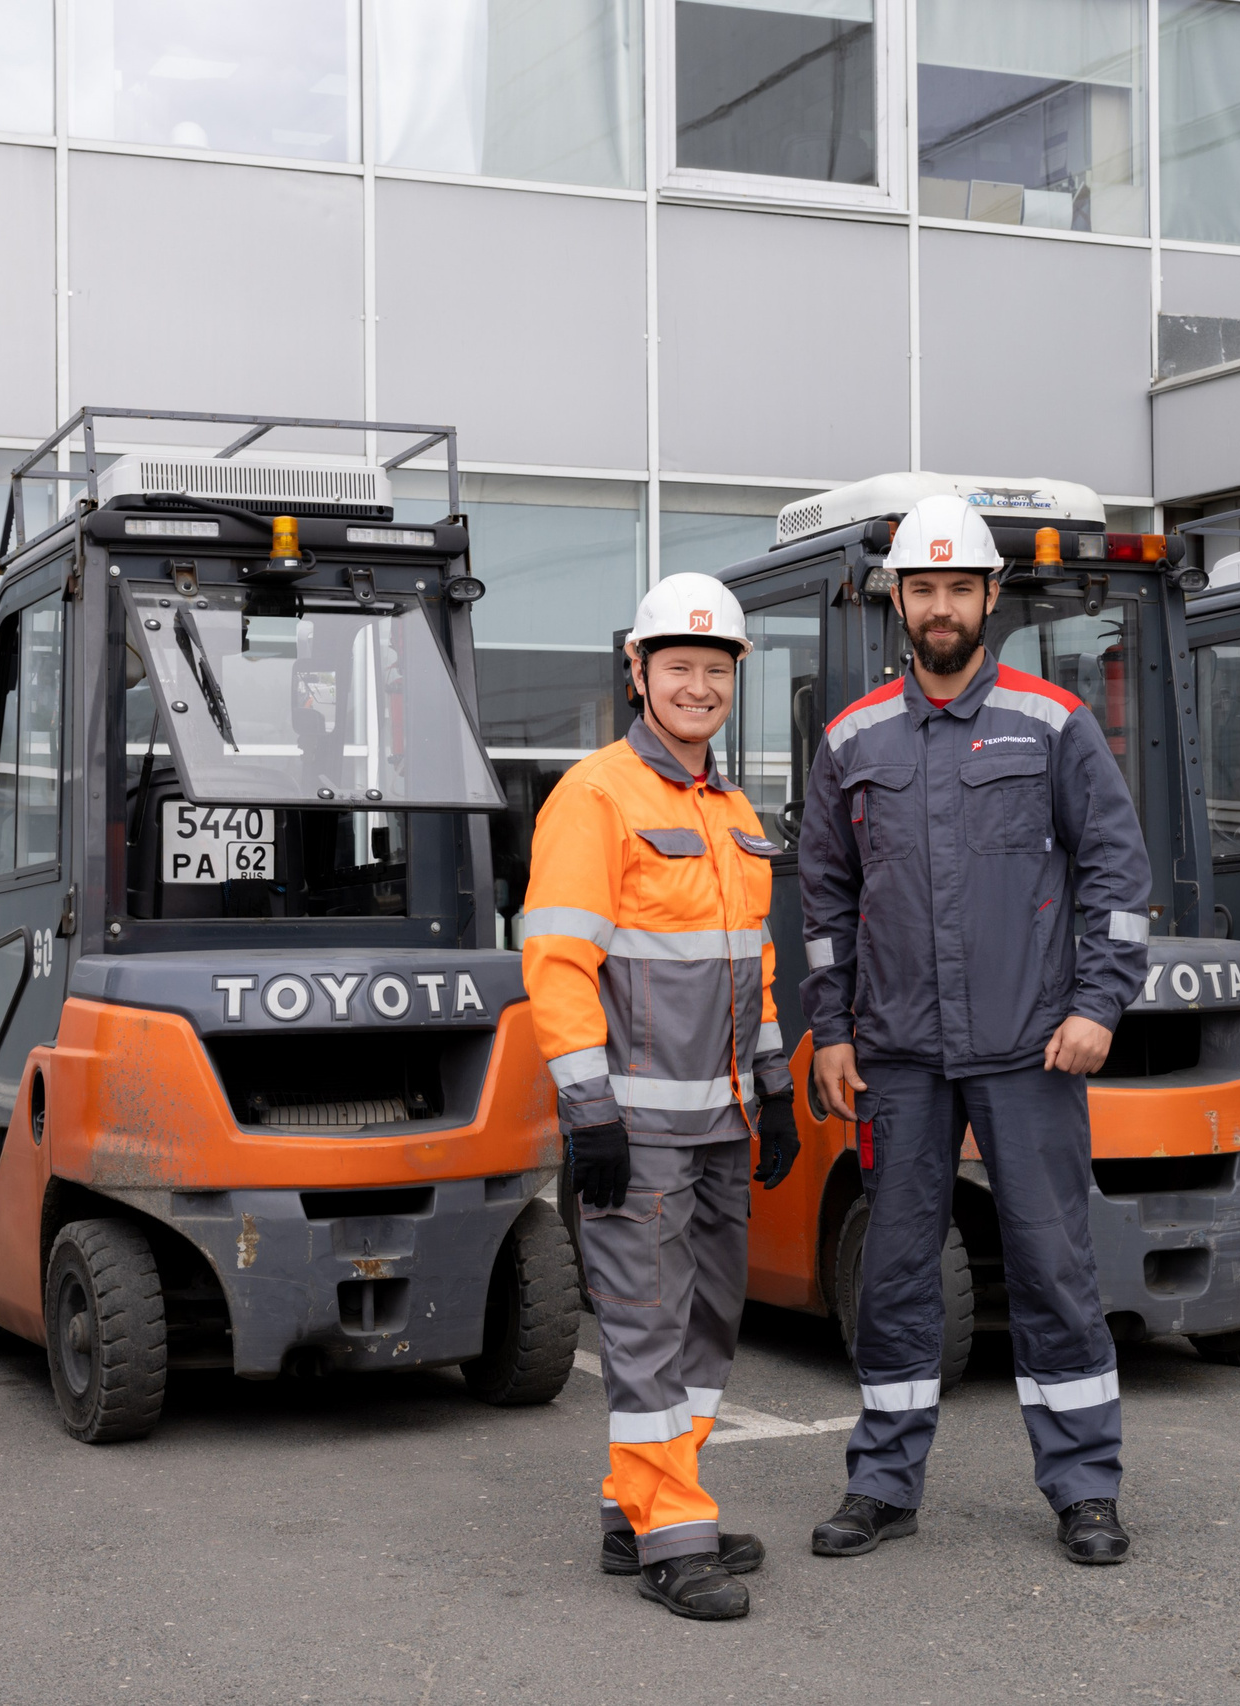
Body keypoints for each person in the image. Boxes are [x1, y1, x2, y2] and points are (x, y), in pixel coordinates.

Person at [796, 495, 1152, 1567]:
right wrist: (830, 1029)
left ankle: (1084, 1488)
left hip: (1029, 1048)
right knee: (896, 1270)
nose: (940, 606)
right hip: (899, 1054)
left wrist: (1098, 1003)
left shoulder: (1051, 721)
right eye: (923, 588)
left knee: (1052, 1267)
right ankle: (883, 1481)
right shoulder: (852, 739)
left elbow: (1116, 873)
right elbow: (820, 899)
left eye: (959, 587)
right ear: (895, 600)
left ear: (990, 597)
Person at [518, 573, 802, 1621]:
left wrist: (771, 1088)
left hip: (723, 1119)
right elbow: (555, 962)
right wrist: (587, 1111)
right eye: (677, 666)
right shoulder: (594, 795)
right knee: (643, 1323)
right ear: (636, 672)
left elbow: (753, 969)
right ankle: (673, 1533)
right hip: (634, 1125)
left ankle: (633, 1500)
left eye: (714, 669)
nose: (697, 685)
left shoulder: (733, 811)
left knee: (705, 1321)